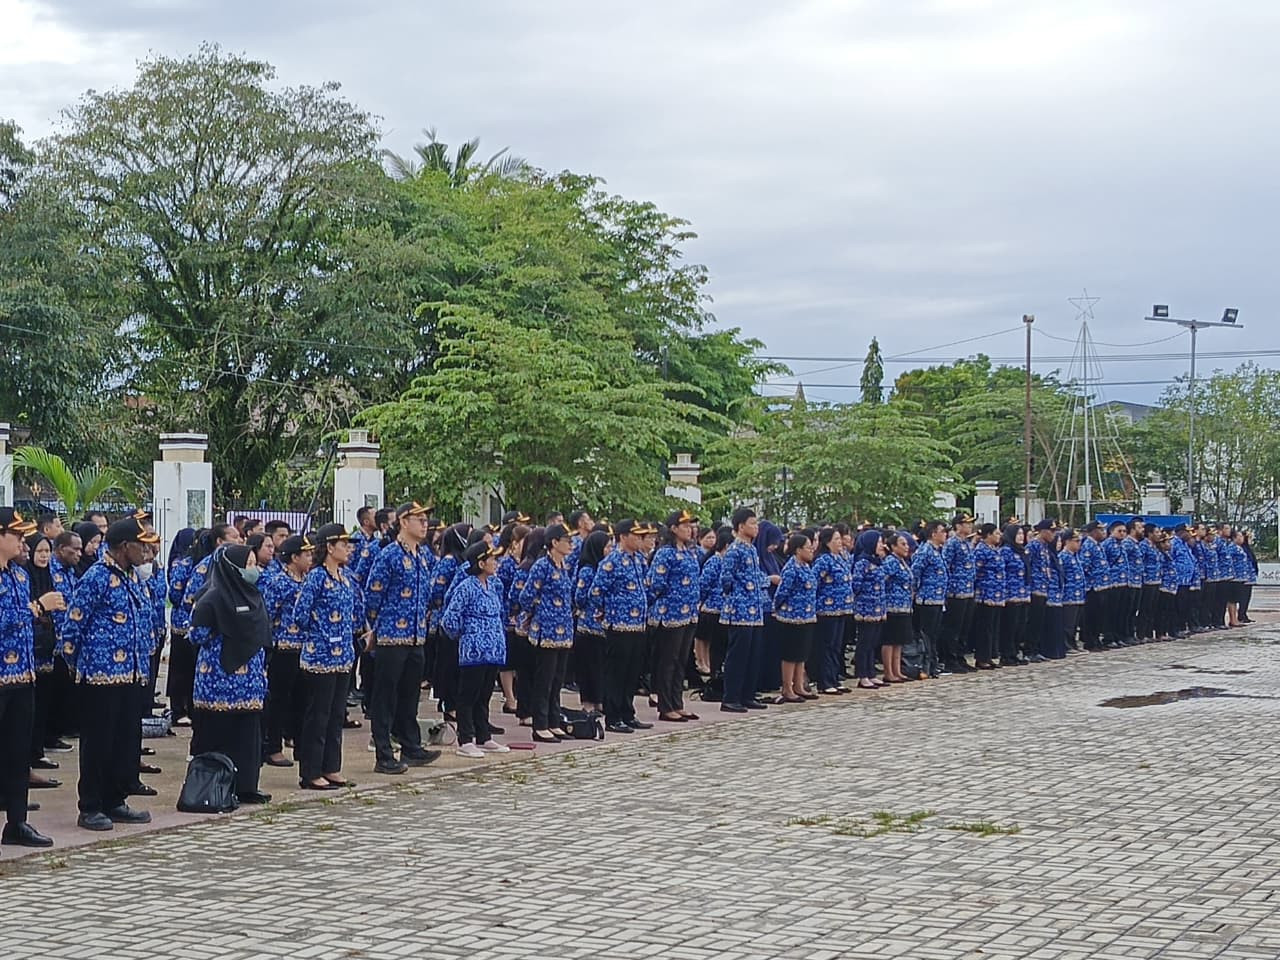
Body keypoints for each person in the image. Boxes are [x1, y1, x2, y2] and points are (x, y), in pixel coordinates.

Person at [61, 515, 158, 831]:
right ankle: (90, 806)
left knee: (124, 741)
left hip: (131, 673)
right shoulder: (97, 577)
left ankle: (115, 800)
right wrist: (76, 665)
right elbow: (74, 623)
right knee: (98, 743)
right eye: (141, 545)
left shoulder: (132, 577)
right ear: (124, 546)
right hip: (100, 675)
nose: (146, 551)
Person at [188, 544, 272, 804]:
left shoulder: (254, 595)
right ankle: (214, 789)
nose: (253, 570)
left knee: (247, 734)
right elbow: (197, 635)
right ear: (232, 567)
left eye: (254, 563)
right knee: (219, 734)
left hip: (249, 683)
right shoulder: (211, 598)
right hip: (220, 680)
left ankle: (246, 785)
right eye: (248, 564)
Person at [363, 502, 439, 774]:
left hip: (416, 636)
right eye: (419, 519)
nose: (425, 524)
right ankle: (384, 753)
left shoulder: (423, 554)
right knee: (385, 697)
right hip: (392, 636)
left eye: (425, 520)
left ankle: (411, 746)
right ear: (404, 522)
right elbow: (373, 595)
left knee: (410, 695)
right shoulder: (390, 555)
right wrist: (377, 626)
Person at [0, 509, 57, 848]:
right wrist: (37, 608)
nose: (23, 542)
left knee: (17, 751)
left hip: (21, 676)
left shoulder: (19, 576)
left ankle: (17, 821)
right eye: (16, 535)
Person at [289, 523, 362, 791]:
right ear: (330, 548)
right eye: (343, 544)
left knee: (335, 715)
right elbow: (300, 614)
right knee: (317, 716)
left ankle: (332, 767)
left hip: (343, 657)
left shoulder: (344, 577)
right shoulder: (317, 577)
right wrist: (321, 633)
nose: (348, 549)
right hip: (320, 657)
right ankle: (311, 771)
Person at [440, 542, 511, 758]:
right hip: (474, 649)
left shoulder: (494, 585)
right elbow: (450, 619)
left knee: (484, 694)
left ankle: (484, 736)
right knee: (468, 695)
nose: (496, 563)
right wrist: (467, 635)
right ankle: (465, 739)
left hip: (494, 649)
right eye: (492, 559)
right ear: (480, 563)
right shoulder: (466, 587)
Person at [592, 520, 654, 732]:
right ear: (623, 537)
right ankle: (613, 716)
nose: (639, 539)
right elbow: (596, 591)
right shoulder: (612, 561)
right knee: (616, 673)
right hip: (619, 625)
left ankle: (627, 713)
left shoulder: (639, 559)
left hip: (638, 624)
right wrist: (606, 611)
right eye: (635, 535)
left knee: (632, 672)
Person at [519, 522, 577, 741]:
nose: (570, 544)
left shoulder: (564, 565)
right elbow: (526, 596)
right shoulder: (542, 565)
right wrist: (541, 611)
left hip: (564, 630)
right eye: (567, 540)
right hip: (547, 631)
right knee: (544, 679)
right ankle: (540, 724)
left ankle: (554, 721)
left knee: (557, 679)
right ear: (554, 542)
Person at [646, 510, 702, 723]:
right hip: (670, 614)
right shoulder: (665, 553)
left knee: (681, 661)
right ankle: (665, 705)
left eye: (691, 526)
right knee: (667, 661)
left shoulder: (689, 552)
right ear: (673, 528)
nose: (690, 529)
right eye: (685, 526)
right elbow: (656, 584)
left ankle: (677, 702)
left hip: (688, 614)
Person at [261, 535, 311, 767]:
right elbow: (268, 615)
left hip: (306, 648)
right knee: (279, 700)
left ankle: (301, 745)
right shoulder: (279, 582)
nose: (310, 558)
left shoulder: (308, 581)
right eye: (306, 554)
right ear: (294, 558)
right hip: (283, 649)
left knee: (303, 700)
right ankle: (273, 747)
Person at [719, 508, 769, 713]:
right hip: (740, 611)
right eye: (752, 523)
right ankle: (731, 697)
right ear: (741, 526)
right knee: (738, 656)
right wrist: (738, 596)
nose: (756, 527)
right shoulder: (735, 550)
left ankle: (748, 695)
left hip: (755, 610)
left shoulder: (752, 549)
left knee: (753, 655)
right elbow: (726, 579)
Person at [772, 532, 817, 703]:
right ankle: (787, 688)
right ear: (798, 550)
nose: (811, 550)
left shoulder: (806, 567)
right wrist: (777, 608)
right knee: (790, 654)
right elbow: (782, 592)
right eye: (808, 548)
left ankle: (799, 686)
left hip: (807, 615)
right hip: (791, 617)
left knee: (801, 653)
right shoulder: (791, 568)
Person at [572, 529, 611, 713]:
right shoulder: (587, 570)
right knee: (589, 666)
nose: (609, 550)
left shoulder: (606, 568)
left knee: (602, 666)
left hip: (603, 626)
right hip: (588, 625)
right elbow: (579, 596)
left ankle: (599, 699)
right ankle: (588, 701)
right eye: (607, 547)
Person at [810, 527, 853, 695]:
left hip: (842, 608)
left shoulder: (840, 558)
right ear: (827, 542)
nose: (840, 542)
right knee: (826, 646)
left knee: (836, 645)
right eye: (836, 539)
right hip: (826, 609)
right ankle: (825, 681)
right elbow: (814, 582)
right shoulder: (823, 560)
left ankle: (834, 678)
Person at [938, 514, 976, 673]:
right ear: (958, 526)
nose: (970, 526)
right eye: (966, 524)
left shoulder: (967, 543)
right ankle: (950, 659)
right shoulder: (952, 543)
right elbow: (946, 565)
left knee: (964, 628)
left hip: (968, 590)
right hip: (956, 591)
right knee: (953, 628)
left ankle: (960, 656)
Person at [850, 530, 887, 690]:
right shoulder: (862, 562)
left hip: (878, 608)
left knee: (873, 642)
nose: (882, 545)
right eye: (879, 542)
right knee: (864, 642)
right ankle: (862, 674)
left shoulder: (878, 561)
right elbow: (856, 585)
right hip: (865, 608)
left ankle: (871, 673)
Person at [911, 520, 948, 677]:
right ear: (933, 534)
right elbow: (915, 572)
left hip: (938, 598)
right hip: (927, 599)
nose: (945, 534)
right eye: (942, 531)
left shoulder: (938, 551)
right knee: (927, 634)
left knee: (934, 634)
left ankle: (933, 664)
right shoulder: (925, 551)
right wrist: (914, 591)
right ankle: (926, 665)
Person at [971, 523, 1006, 670]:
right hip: (986, 594)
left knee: (992, 627)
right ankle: (982, 658)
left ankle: (990, 655)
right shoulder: (981, 550)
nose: (999, 536)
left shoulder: (995, 550)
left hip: (997, 594)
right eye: (996, 533)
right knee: (984, 628)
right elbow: (976, 571)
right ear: (988, 535)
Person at [882, 532, 916, 683]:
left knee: (899, 640)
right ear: (893, 546)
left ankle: (897, 670)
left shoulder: (902, 561)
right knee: (890, 640)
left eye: (907, 544)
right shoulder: (890, 561)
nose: (906, 547)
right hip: (892, 606)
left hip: (904, 606)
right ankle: (888, 672)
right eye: (902, 544)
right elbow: (882, 580)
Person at [998, 524, 1029, 666]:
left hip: (1023, 593)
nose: (1021, 537)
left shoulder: (1022, 551)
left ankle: (1015, 652)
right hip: (1010, 593)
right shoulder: (1006, 551)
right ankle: (1007, 654)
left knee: (1020, 626)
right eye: (1018, 534)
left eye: (1022, 534)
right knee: (1010, 626)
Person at [1236, 530, 1257, 624]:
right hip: (1241, 577)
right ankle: (1240, 615)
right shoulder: (1236, 548)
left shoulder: (1246, 548)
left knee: (1247, 597)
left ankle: (1243, 614)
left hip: (1249, 576)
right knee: (1242, 597)